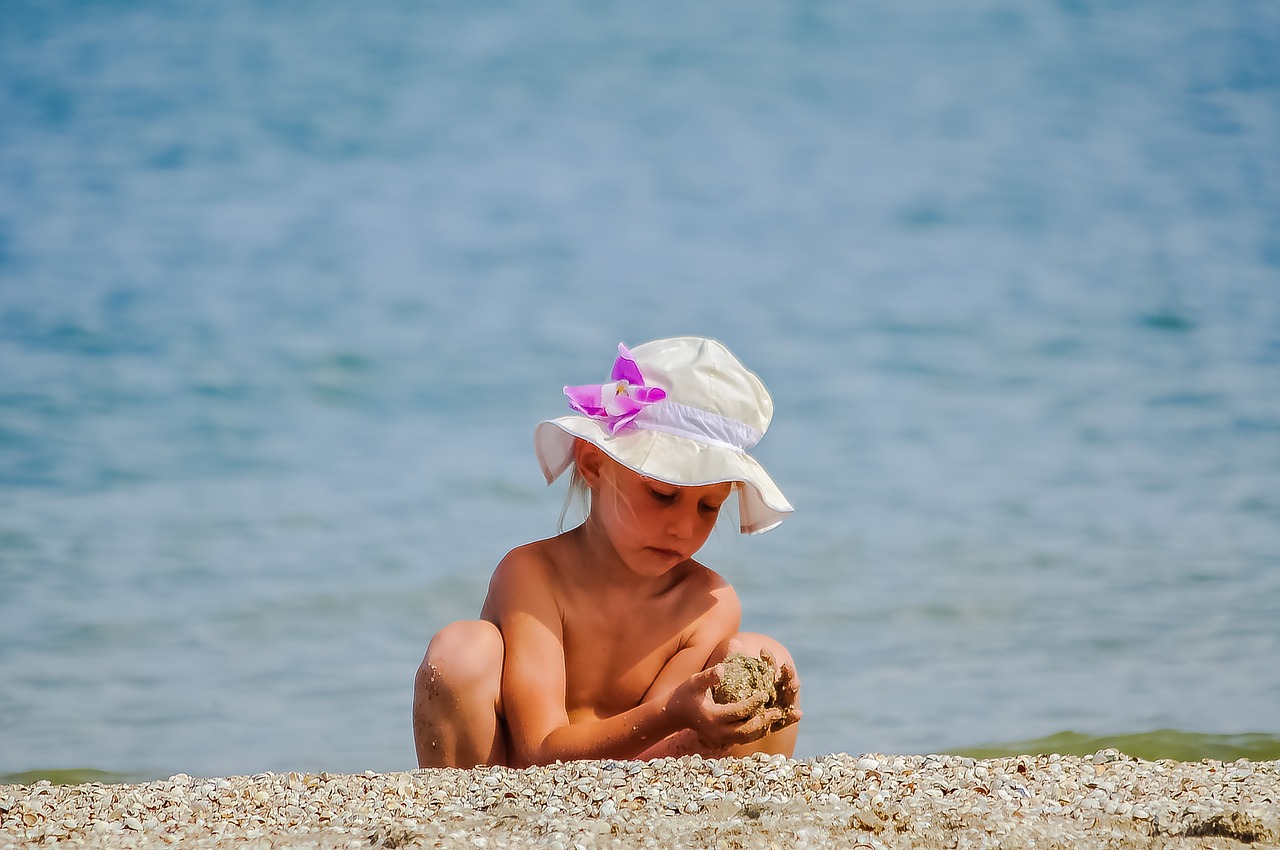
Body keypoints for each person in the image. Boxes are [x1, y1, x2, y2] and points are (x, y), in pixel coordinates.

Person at [413, 337, 802, 768]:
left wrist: (703, 716)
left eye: (709, 507)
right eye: (662, 494)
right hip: (512, 786)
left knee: (764, 657)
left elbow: (655, 755)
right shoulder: (535, 574)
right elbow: (537, 750)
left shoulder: (706, 606)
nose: (683, 528)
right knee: (462, 651)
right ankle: (462, 822)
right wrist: (671, 710)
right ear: (594, 464)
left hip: (645, 791)